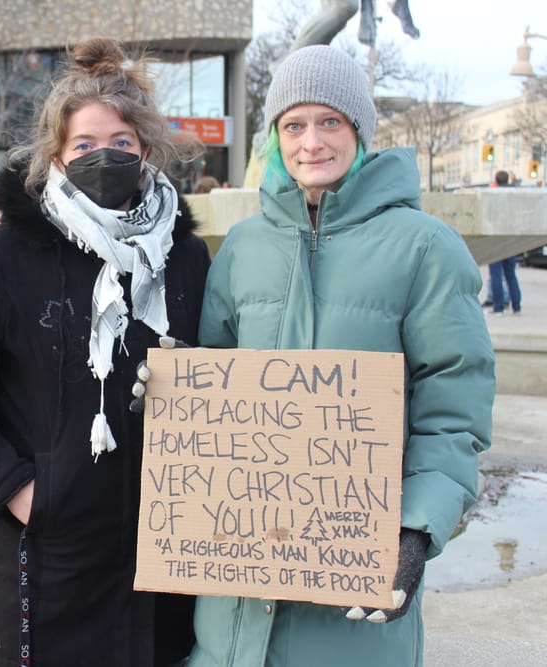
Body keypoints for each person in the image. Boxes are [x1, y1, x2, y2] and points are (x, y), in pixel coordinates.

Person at [186, 45, 494, 667]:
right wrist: (170, 390)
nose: (311, 142)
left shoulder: (426, 248)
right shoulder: (244, 247)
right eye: (294, 125)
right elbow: (213, 385)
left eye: (331, 121)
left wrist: (416, 527)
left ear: (359, 128)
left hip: (353, 603)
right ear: (275, 136)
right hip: (235, 612)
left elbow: (454, 411)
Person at [0, 37, 210, 667]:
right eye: (84, 145)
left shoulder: (184, 257)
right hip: (49, 561)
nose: (104, 156)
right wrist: (19, 489)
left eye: (121, 144)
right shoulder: (3, 255)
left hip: (163, 566)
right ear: (56, 154)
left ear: (147, 151)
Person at [487, 170, 521, 315]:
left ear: (496, 180)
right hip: (510, 237)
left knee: (496, 275)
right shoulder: (514, 195)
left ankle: (498, 307)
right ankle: (517, 307)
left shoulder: (492, 195)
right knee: (511, 275)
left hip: (496, 238)